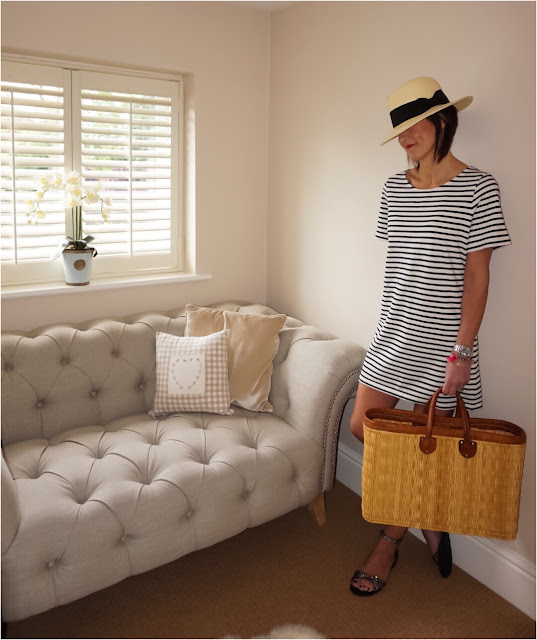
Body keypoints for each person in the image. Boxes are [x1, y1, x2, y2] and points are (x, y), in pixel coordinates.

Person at [349, 76, 511, 596]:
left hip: (444, 346)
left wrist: (461, 353)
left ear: (441, 120)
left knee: (428, 450)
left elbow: (477, 278)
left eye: (409, 127)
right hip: (394, 334)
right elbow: (399, 266)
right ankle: (430, 520)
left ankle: (388, 542)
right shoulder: (394, 187)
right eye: (397, 131)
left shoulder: (480, 187)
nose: (403, 139)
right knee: (363, 426)